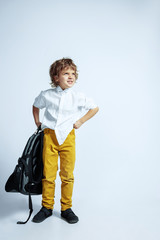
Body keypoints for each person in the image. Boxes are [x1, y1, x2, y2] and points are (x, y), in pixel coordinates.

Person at [32, 58, 99, 224]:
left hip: (68, 137)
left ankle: (66, 208)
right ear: (56, 77)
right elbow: (35, 105)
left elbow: (94, 108)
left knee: (67, 175)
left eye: (73, 73)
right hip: (49, 136)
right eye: (66, 73)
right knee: (48, 174)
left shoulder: (78, 96)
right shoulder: (46, 95)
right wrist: (38, 122)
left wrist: (81, 121)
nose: (71, 76)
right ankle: (46, 207)